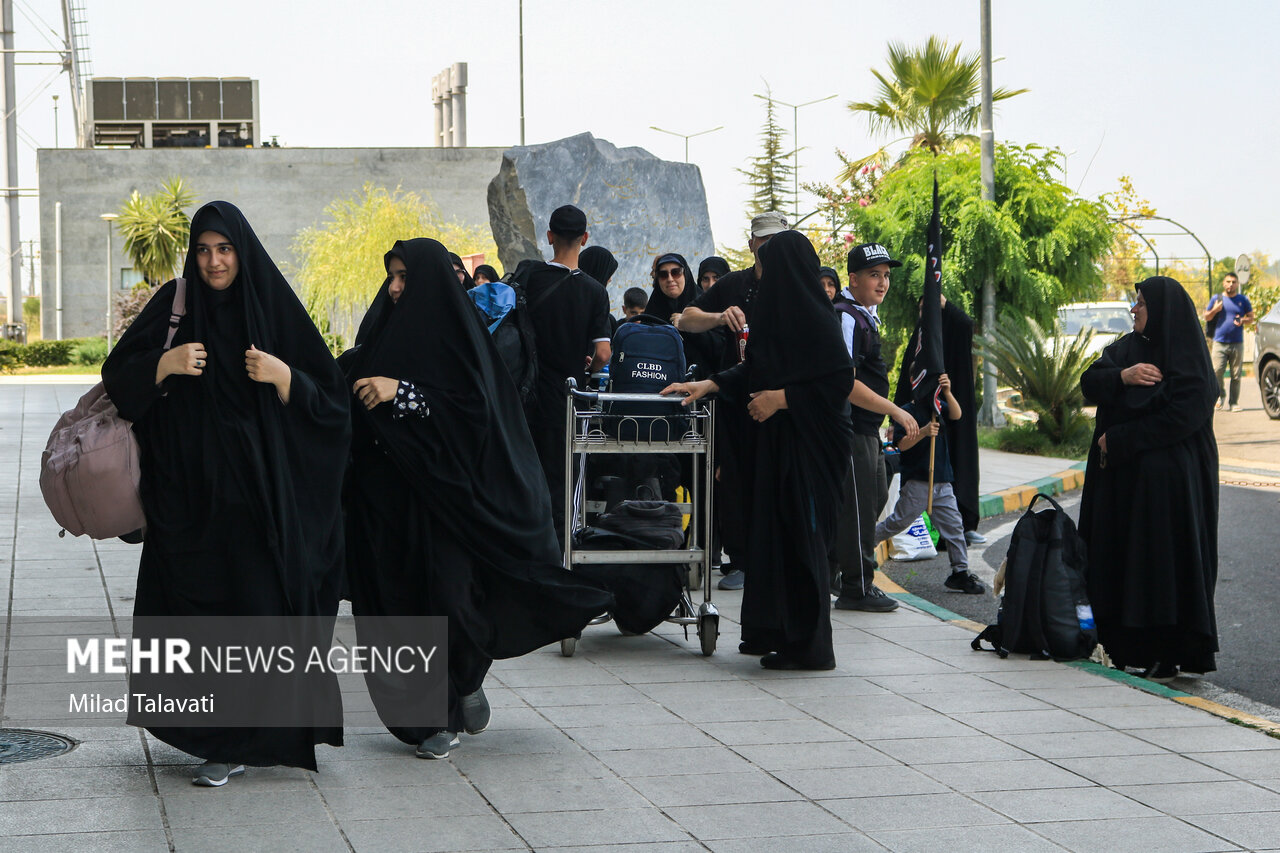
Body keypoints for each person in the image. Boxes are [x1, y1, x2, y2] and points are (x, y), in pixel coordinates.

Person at [102, 201, 350, 786]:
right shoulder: (175, 303)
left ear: (242, 250)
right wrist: (165, 363)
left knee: (254, 620)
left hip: (257, 507)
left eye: (225, 249)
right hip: (186, 506)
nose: (214, 261)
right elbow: (119, 377)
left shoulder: (272, 309)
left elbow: (333, 404)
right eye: (205, 249)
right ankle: (212, 734)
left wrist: (285, 378)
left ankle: (235, 738)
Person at [341, 238, 613, 758]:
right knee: (397, 610)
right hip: (390, 507)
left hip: (450, 506)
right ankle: (428, 718)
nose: (395, 288)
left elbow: (477, 413)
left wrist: (405, 393)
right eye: (391, 277)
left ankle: (462, 681)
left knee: (452, 602)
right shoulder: (378, 335)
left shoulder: (463, 340)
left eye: (404, 277)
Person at [662, 230, 853, 670]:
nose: (760, 276)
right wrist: (709, 384)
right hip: (777, 448)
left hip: (808, 452)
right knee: (776, 541)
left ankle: (810, 648)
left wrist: (781, 399)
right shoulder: (777, 314)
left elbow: (838, 381)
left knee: (802, 542)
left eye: (767, 268)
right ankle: (780, 635)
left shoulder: (816, 318)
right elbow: (754, 369)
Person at [1079, 276, 1219, 682]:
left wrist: (1122, 438)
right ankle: (1121, 646)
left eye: (1140, 303)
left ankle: (1167, 652)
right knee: (1123, 562)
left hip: (1173, 490)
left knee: (1163, 566)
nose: (1134, 309)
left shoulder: (1188, 359)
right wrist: (1123, 377)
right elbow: (1089, 383)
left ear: (1162, 310)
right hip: (1123, 487)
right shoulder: (1127, 350)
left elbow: (1184, 416)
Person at [678, 213, 789, 592]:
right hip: (734, 394)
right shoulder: (734, 284)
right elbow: (684, 318)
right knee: (735, 478)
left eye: (778, 241)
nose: (770, 249)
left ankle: (775, 559)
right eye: (764, 241)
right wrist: (718, 316)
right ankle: (741, 559)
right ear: (751, 244)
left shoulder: (796, 286)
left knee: (778, 479)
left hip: (783, 401)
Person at [832, 243, 920, 613]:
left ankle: (842, 570)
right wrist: (896, 413)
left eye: (886, 275)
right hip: (852, 429)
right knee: (859, 509)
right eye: (874, 275)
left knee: (874, 498)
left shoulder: (865, 314)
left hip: (868, 430)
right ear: (853, 278)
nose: (882, 282)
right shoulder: (847, 316)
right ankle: (857, 585)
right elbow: (846, 383)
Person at [523, 204, 613, 546]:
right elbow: (603, 353)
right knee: (561, 483)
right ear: (585, 239)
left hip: (523, 396)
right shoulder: (593, 290)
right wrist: (586, 367)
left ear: (549, 237)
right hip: (565, 399)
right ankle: (558, 559)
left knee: (526, 478)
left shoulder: (529, 277)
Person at [875, 374, 986, 594]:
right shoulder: (906, 411)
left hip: (943, 480)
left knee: (955, 527)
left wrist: (947, 391)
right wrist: (924, 432)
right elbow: (902, 445)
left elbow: (957, 414)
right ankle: (860, 546)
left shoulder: (938, 407)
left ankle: (960, 572)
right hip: (918, 481)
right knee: (897, 522)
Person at [895, 296, 985, 544]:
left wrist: (945, 305)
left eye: (932, 307)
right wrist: (895, 418)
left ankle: (962, 527)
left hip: (952, 417)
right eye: (923, 309)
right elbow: (906, 378)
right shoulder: (919, 339)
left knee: (956, 468)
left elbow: (967, 325)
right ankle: (926, 532)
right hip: (923, 424)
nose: (927, 313)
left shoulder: (954, 331)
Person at [1203, 271, 1253, 411]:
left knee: (1236, 375)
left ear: (1237, 284)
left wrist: (1242, 320)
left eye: (1233, 282)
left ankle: (1234, 403)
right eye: (1228, 281)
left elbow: (1251, 317)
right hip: (1219, 342)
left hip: (1237, 342)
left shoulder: (1243, 300)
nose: (1231, 284)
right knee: (1217, 371)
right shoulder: (1217, 299)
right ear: (1224, 283)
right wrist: (1214, 309)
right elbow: (1206, 317)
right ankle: (1220, 395)